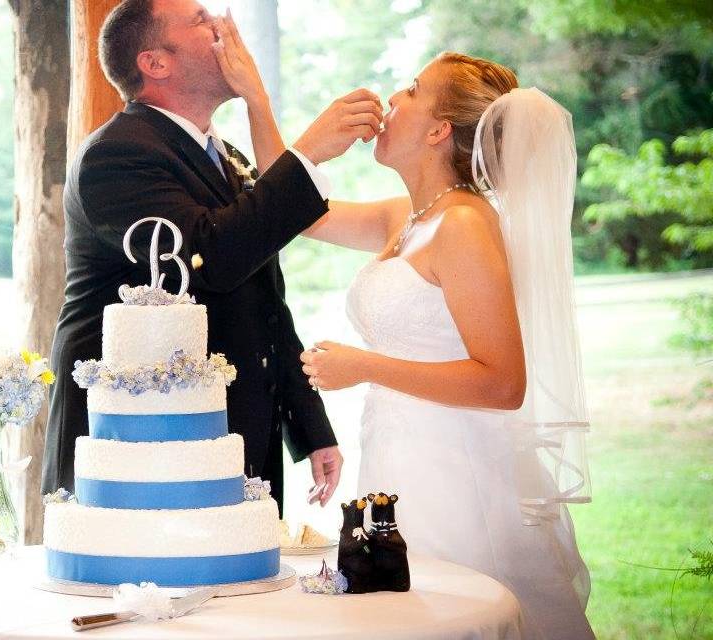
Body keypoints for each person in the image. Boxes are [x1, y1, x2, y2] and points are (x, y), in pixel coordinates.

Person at [291, 52, 595, 639]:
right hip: (398, 458)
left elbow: (503, 383)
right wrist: (264, 104)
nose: (391, 100)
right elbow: (295, 212)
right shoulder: (408, 217)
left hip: (459, 474)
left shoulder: (463, 225)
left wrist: (364, 368)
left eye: (410, 90)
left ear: (438, 131)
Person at [42, 0, 384, 512]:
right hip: (146, 440)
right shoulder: (116, 155)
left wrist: (308, 422)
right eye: (203, 21)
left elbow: (263, 297)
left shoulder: (229, 159)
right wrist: (306, 153)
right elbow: (209, 257)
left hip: (233, 427)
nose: (226, 28)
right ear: (155, 63)